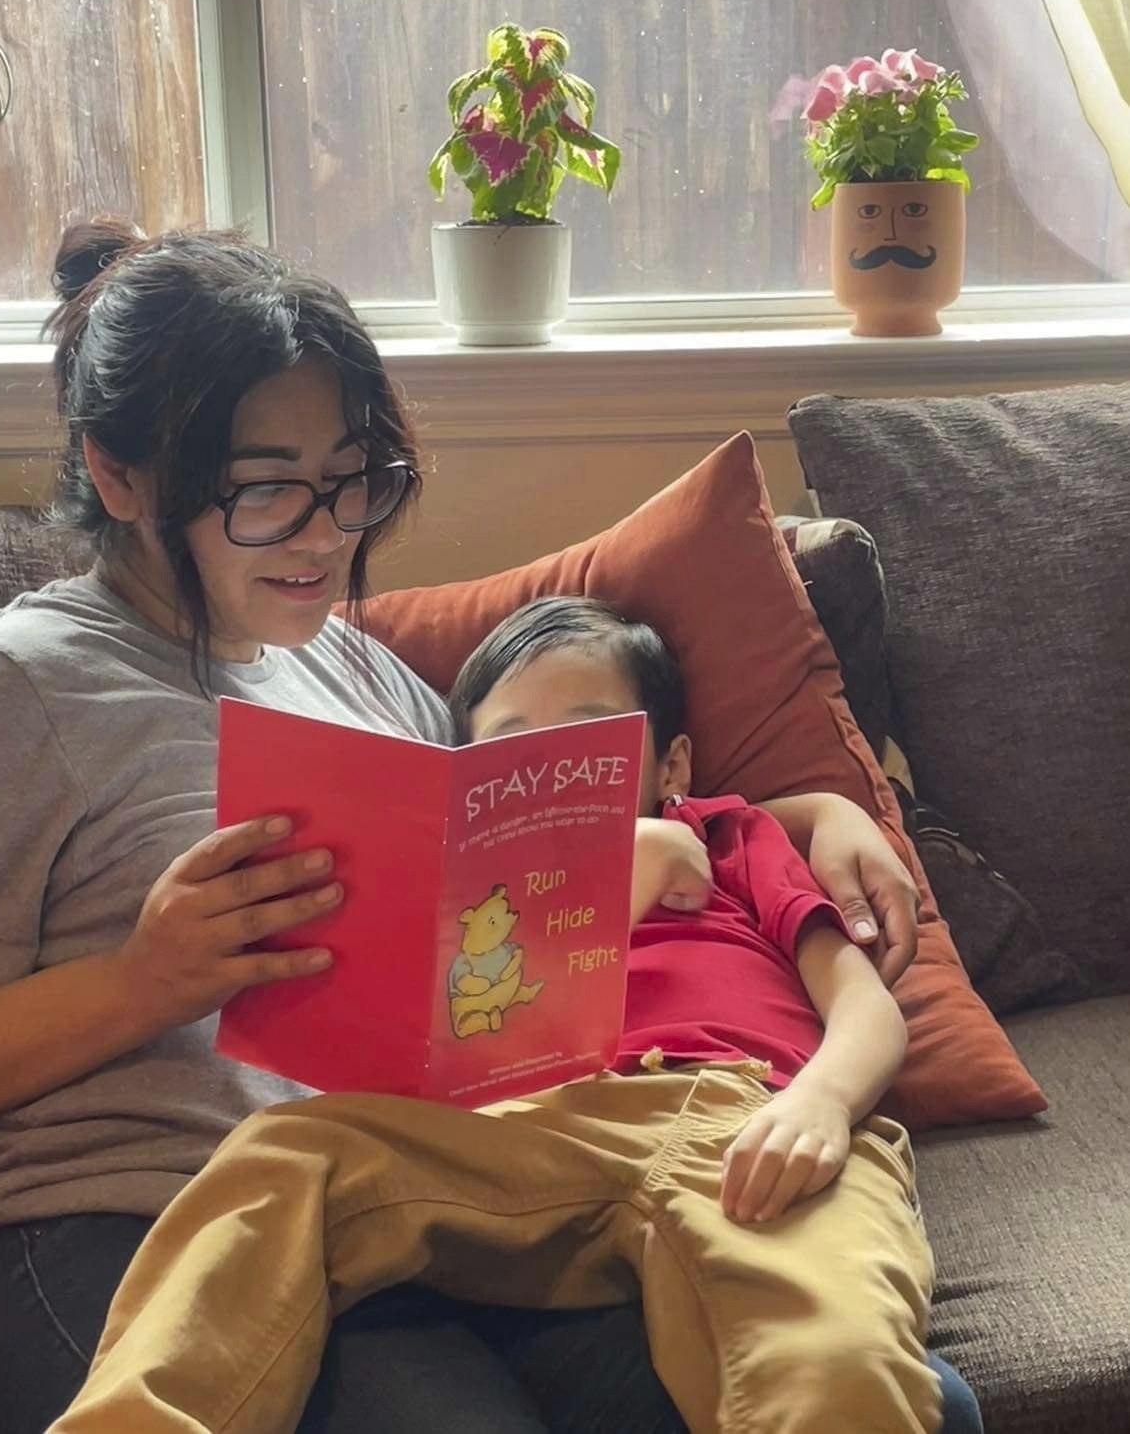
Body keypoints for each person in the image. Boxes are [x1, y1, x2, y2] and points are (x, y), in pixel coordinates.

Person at [0, 221, 935, 1434]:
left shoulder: (354, 672)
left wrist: (812, 809)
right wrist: (139, 983)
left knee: (910, 1400)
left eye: (352, 478)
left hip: (408, 1215)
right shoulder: (15, 688)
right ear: (121, 474)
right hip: (114, 1218)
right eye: (265, 486)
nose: (325, 534)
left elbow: (544, 843)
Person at [50, 597, 983, 1433]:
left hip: (747, 1121)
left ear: (672, 764)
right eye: (514, 749)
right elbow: (473, 1024)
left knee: (837, 1364)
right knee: (286, 1154)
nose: (556, 770)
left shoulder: (735, 837)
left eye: (592, 740)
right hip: (532, 1132)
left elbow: (866, 1009)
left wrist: (821, 1105)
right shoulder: (476, 900)